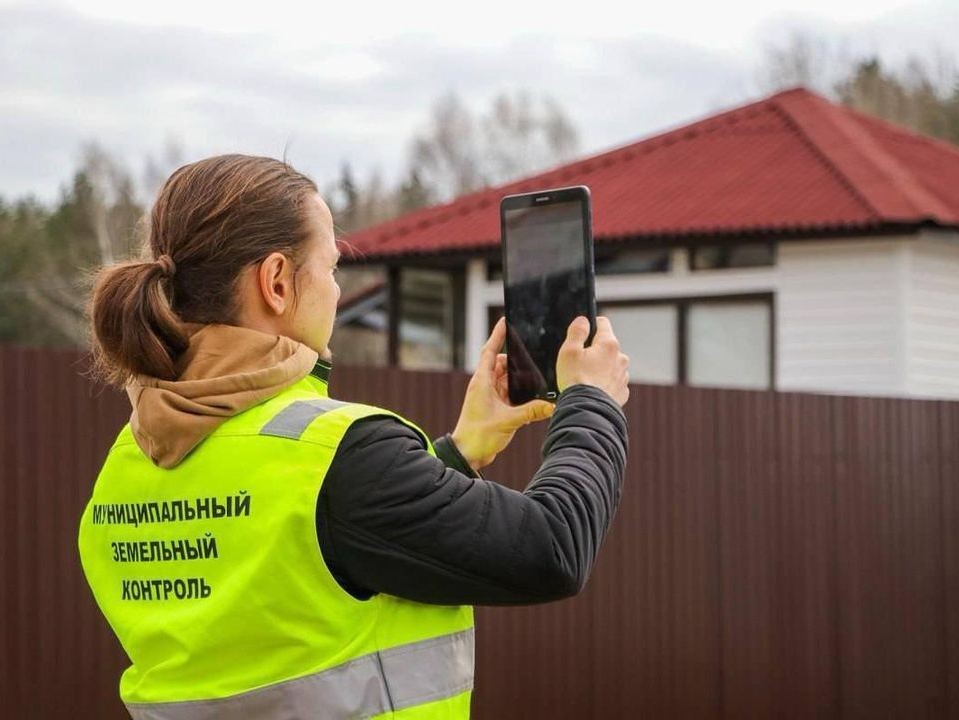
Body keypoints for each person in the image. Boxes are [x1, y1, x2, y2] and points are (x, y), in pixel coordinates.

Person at [77, 154, 630, 720]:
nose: (338, 293)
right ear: (276, 283)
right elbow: (552, 547)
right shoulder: (338, 458)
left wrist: (458, 455)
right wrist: (593, 402)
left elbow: (309, 575)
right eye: (333, 268)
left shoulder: (124, 468)